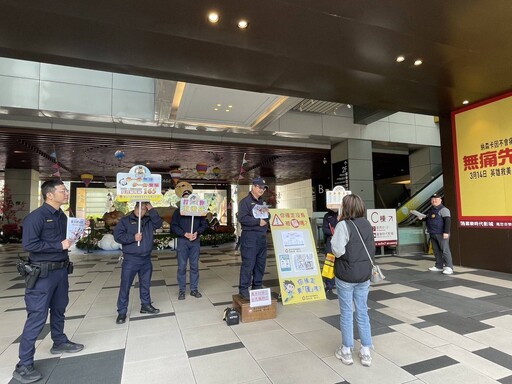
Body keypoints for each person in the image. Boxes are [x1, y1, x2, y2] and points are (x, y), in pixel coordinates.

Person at [14, 180, 84, 384]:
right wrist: (57, 244)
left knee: (60, 308)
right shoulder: (36, 217)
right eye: (62, 191)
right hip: (42, 275)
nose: (65, 193)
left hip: (61, 271)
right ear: (49, 195)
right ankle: (24, 365)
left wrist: (79, 229)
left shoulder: (62, 216)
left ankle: (59, 341)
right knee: (37, 316)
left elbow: (69, 240)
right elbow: (30, 244)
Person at [331, 194, 374, 367]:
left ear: (345, 208)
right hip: (364, 274)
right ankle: (365, 351)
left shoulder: (343, 225)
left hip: (346, 275)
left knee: (347, 312)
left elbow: (337, 251)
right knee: (362, 311)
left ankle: (347, 351)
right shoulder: (367, 224)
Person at [114, 201, 163, 324]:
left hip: (146, 258)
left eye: (144, 210)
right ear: (135, 208)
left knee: (145, 284)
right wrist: (133, 238)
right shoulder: (125, 221)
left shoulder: (148, 220)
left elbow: (158, 224)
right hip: (131, 259)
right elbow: (117, 236)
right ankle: (122, 311)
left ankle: (145, 305)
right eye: (139, 209)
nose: (141, 212)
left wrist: (152, 210)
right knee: (125, 286)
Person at [171, 190, 208, 300]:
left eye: (190, 198)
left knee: (194, 266)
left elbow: (204, 225)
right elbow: (174, 226)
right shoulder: (178, 212)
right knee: (181, 267)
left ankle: (194, 289)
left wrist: (197, 232)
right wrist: (184, 234)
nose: (188, 200)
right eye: (185, 198)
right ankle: (182, 290)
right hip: (183, 241)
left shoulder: (199, 211)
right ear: (183, 200)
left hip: (195, 241)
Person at [238, 177, 270, 300]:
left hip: (261, 237)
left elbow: (267, 215)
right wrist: (258, 222)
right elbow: (243, 218)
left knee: (260, 263)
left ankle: (257, 285)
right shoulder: (245, 202)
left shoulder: (262, 202)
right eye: (260, 187)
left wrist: (266, 218)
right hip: (250, 237)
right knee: (248, 263)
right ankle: (243, 288)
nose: (262, 190)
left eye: (263, 188)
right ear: (253, 187)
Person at [425, 193, 454, 275]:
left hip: (441, 233)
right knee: (436, 250)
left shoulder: (444, 209)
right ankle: (438, 266)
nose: (434, 201)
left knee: (445, 250)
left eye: (436, 199)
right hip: (433, 233)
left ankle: (449, 267)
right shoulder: (431, 210)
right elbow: (429, 220)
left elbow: (447, 221)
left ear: (440, 200)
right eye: (432, 199)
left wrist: (446, 232)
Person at [322, 208, 338, 294]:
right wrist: (334, 233)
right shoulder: (327, 216)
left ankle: (341, 282)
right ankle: (329, 285)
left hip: (342, 242)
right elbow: (324, 229)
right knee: (329, 263)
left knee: (342, 263)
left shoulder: (344, 214)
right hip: (330, 242)